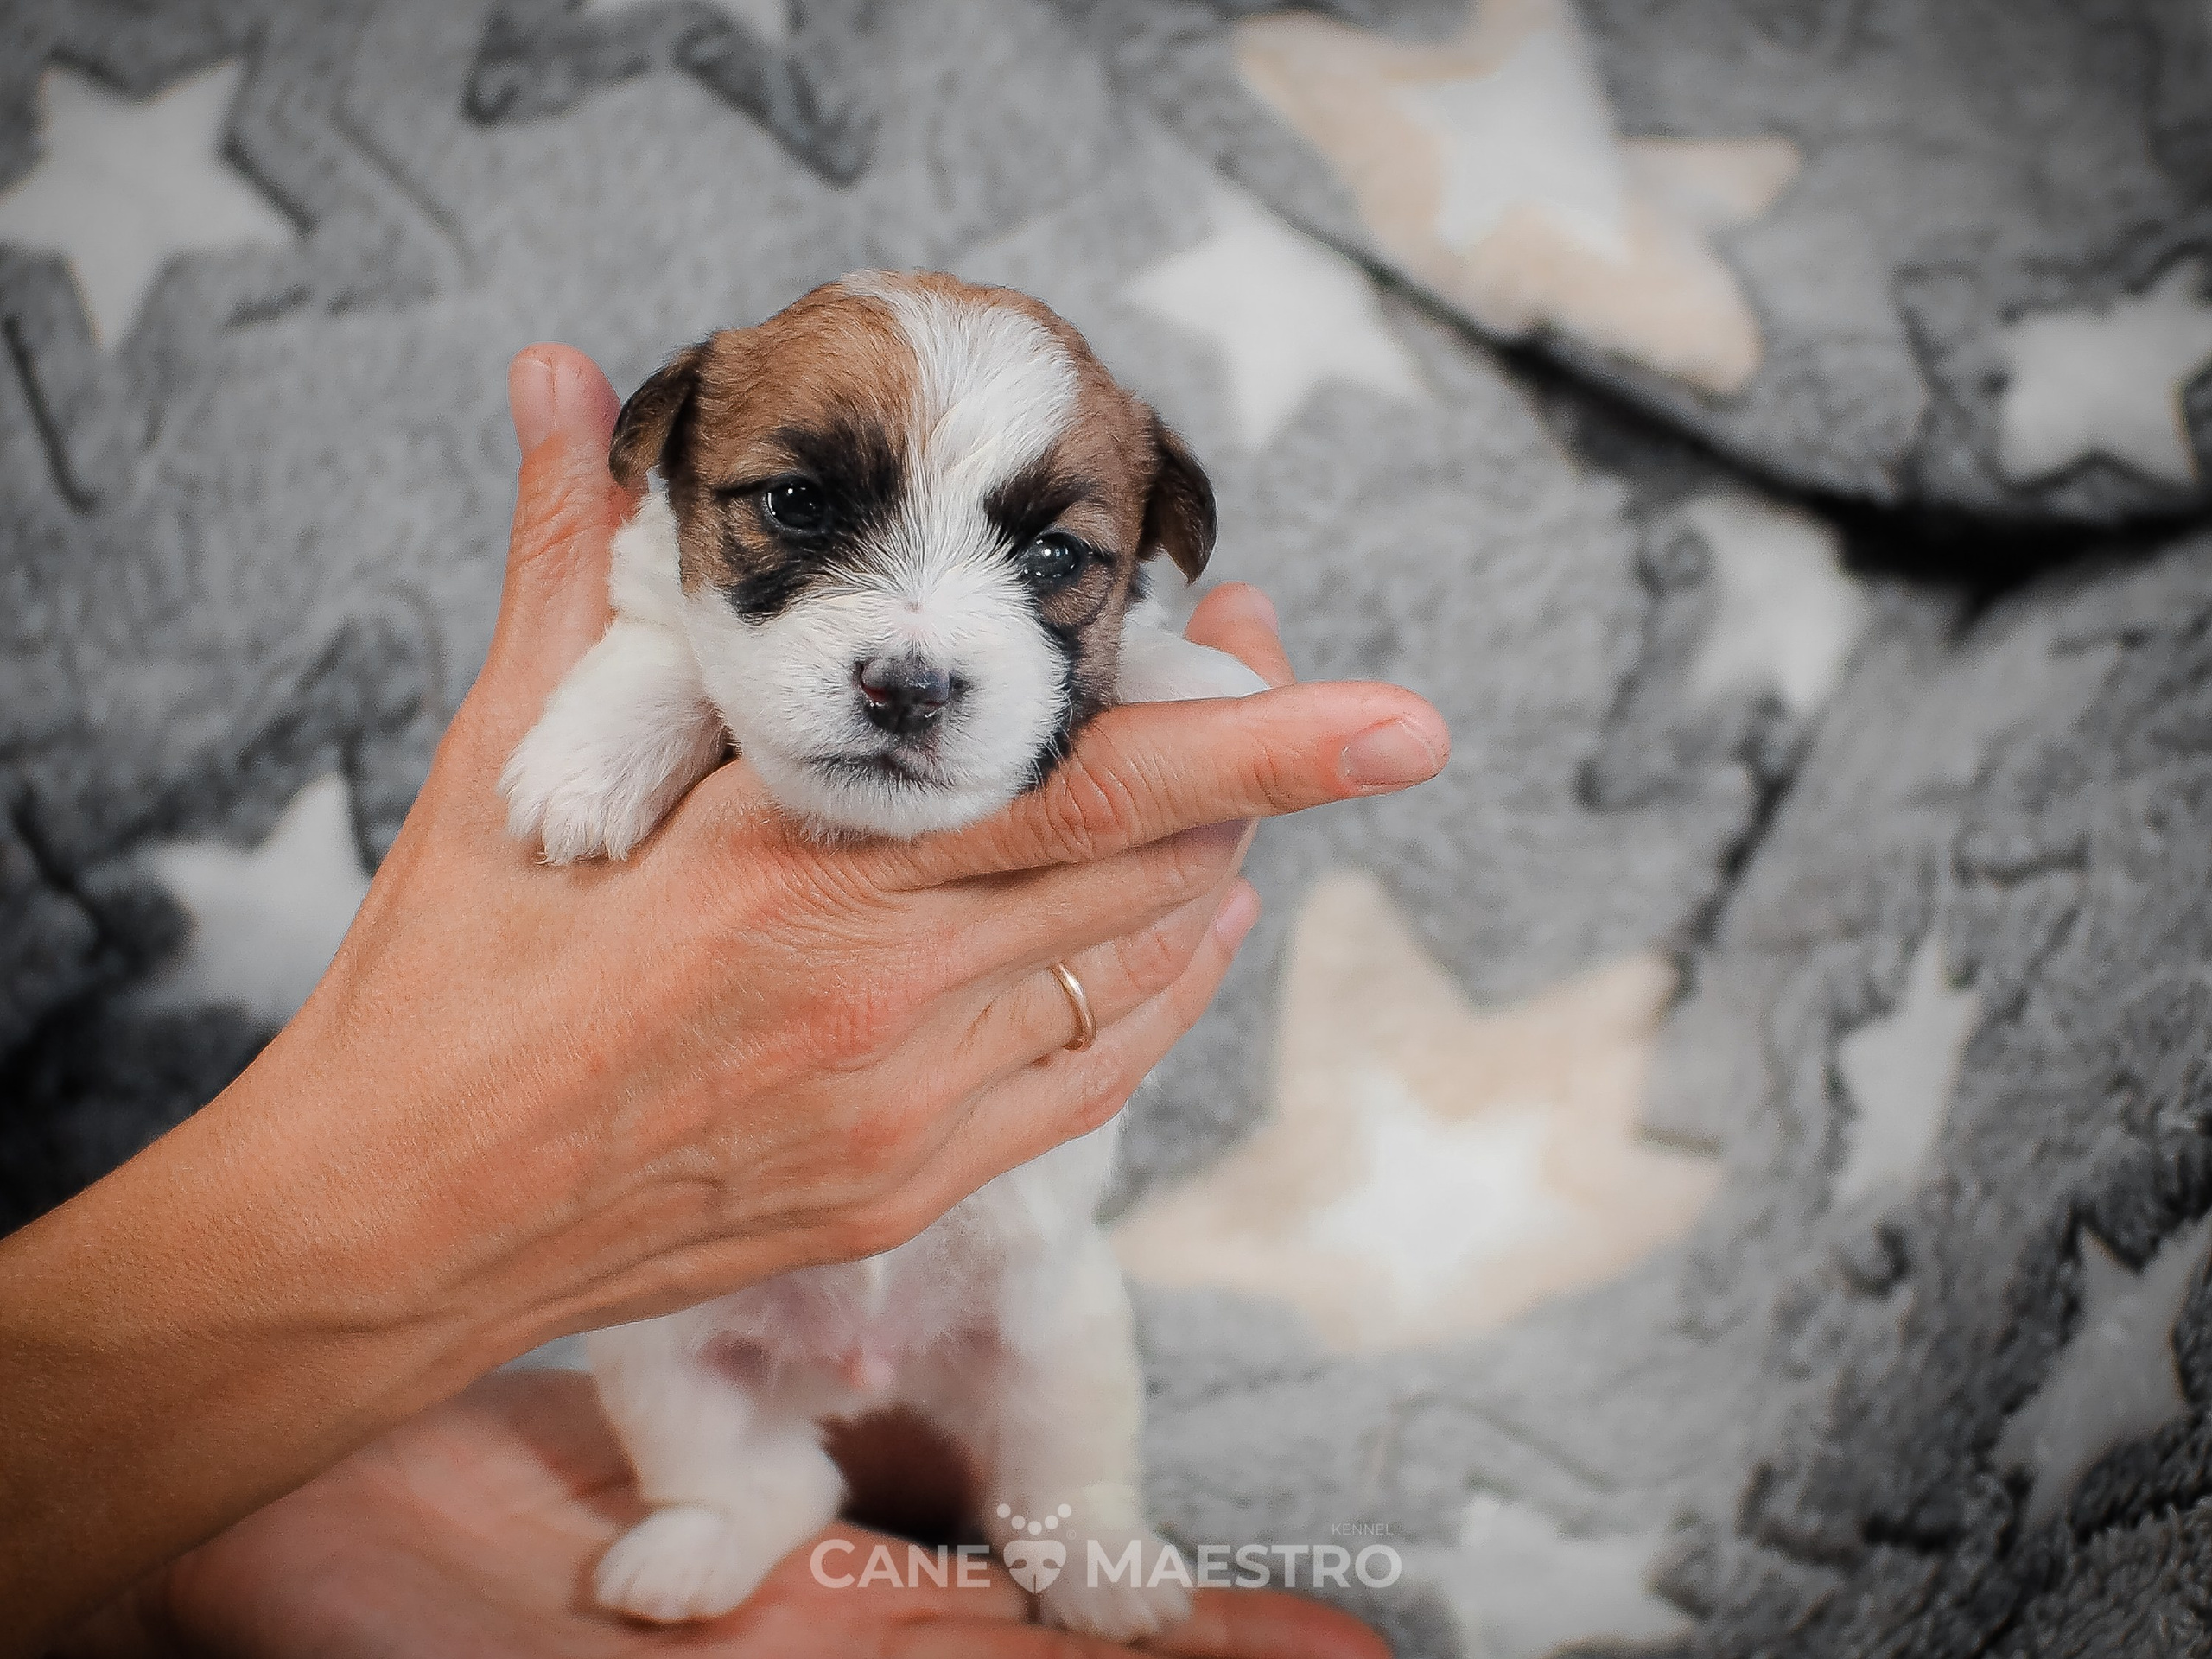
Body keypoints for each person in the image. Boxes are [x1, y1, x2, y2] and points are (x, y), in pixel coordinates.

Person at [0, 346, 1449, 1656]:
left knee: (1060, 1336)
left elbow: (1161, 688)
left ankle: (1074, 1510)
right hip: (708, 1291)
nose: (918, 658)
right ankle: (733, 1492)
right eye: (803, 511)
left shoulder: (1123, 649)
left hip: (1002, 1252)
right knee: (669, 1357)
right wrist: (659, 700)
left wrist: (1182, 704)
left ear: (1137, 568)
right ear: (667, 468)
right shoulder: (664, 612)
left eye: (1056, 558)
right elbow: (649, 644)